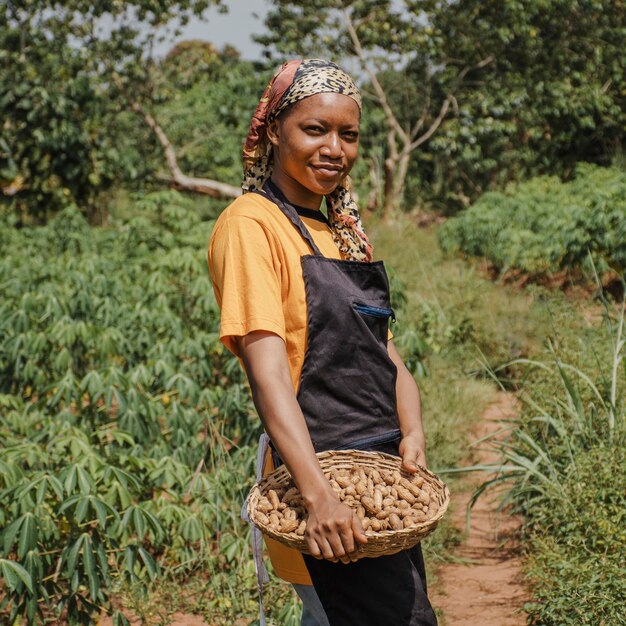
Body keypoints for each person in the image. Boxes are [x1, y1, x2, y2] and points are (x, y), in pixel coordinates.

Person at [208, 58, 438, 626]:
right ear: (273, 131)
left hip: (376, 477)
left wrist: (412, 432)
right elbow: (267, 373)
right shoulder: (252, 224)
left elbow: (386, 353)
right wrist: (318, 496)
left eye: (349, 134)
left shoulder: (341, 233)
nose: (334, 148)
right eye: (315, 129)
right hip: (316, 478)